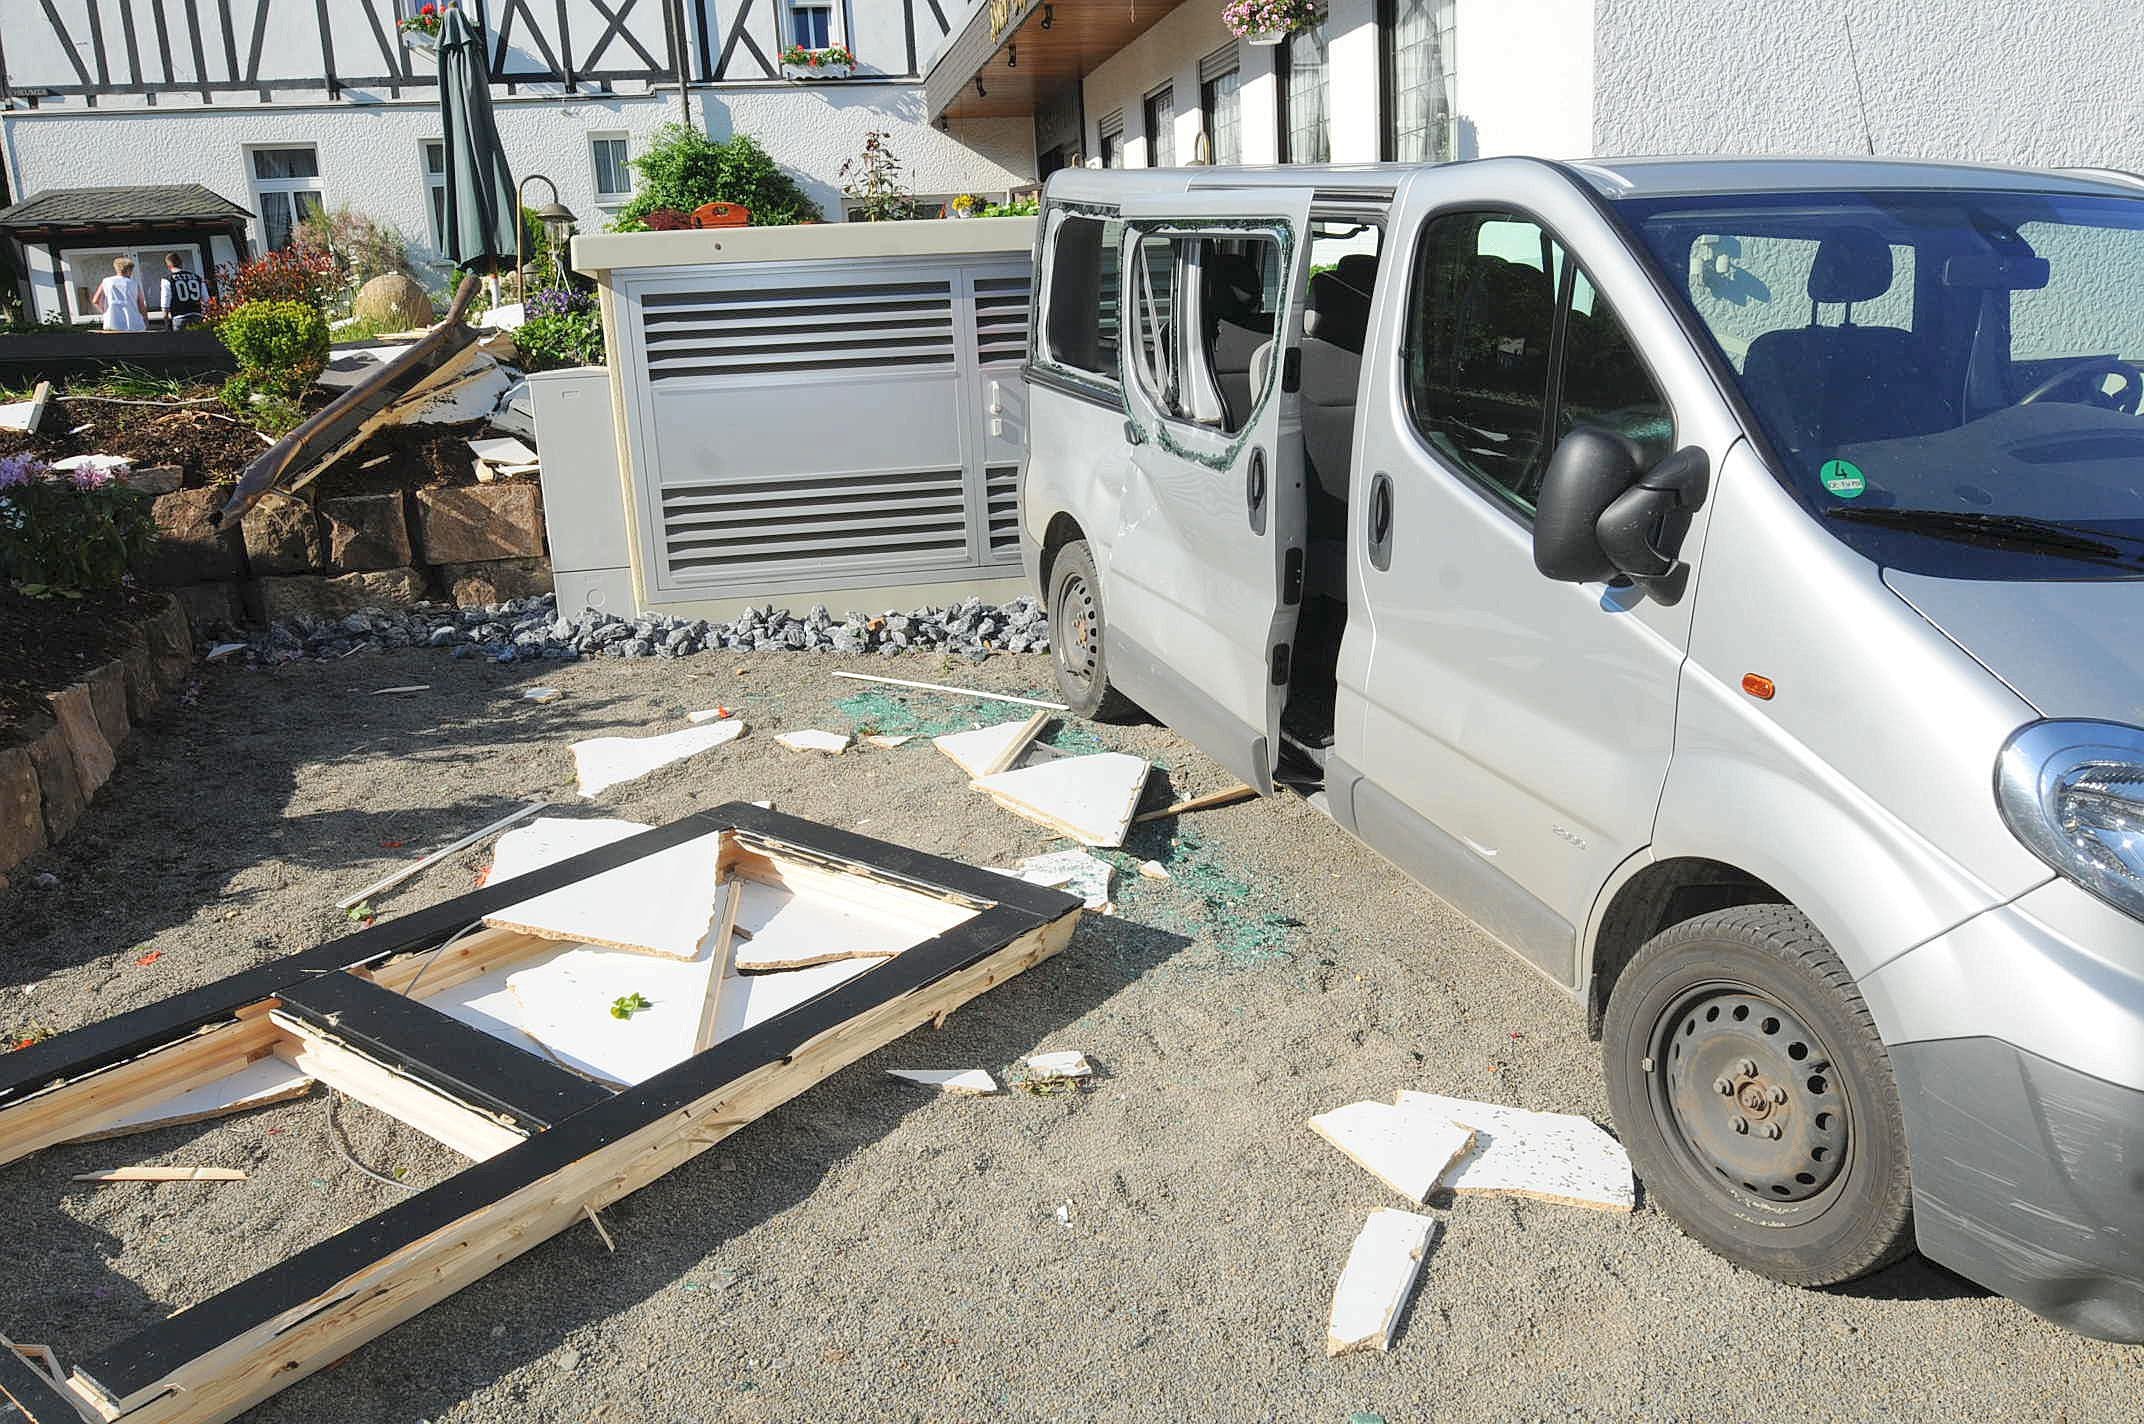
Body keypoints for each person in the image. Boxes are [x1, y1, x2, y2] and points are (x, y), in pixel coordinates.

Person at [91, 256, 146, 333]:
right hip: (134, 323)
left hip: (112, 322)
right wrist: (145, 320)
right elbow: (141, 304)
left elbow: (95, 301)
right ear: (129, 270)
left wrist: (106, 312)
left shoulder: (106, 281)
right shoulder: (134, 284)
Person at [160, 251, 208, 329]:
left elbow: (165, 303)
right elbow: (206, 299)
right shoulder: (197, 278)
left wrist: (166, 322)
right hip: (197, 316)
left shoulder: (167, 279)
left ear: (168, 266)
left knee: (181, 341)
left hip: (179, 317)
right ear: (181, 263)